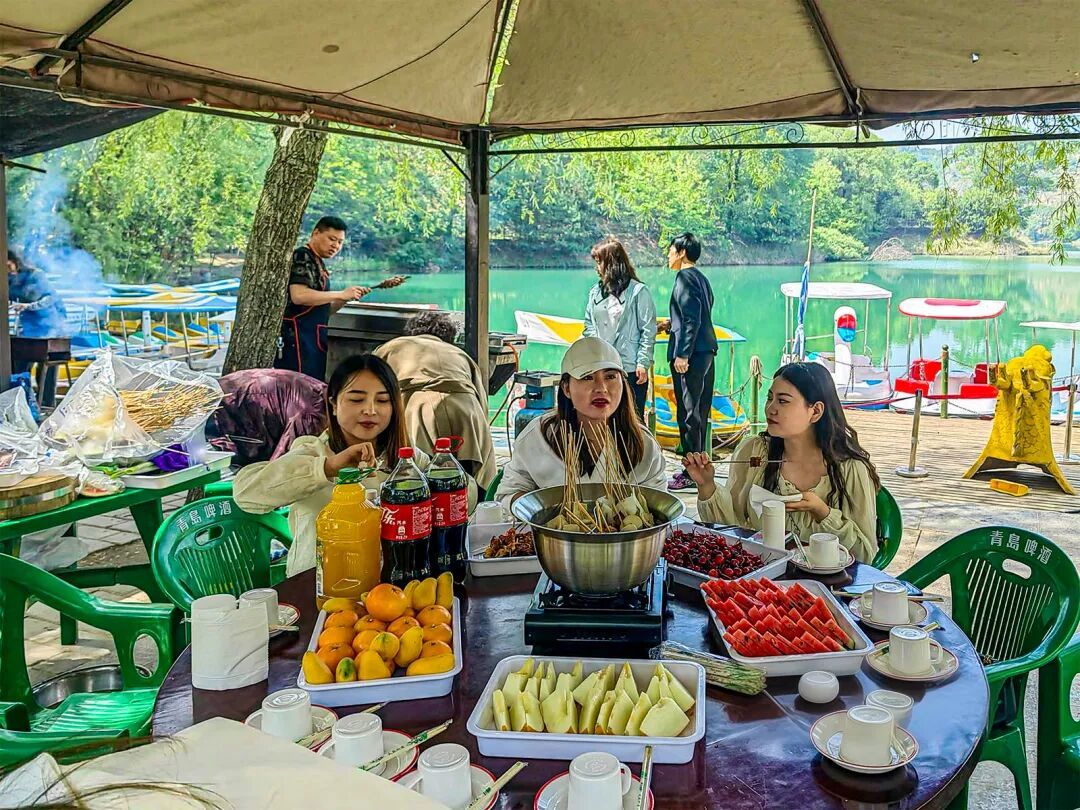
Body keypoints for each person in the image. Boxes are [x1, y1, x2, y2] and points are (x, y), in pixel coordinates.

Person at [234, 354, 476, 576]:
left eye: (382, 400)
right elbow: (245, 494)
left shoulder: (406, 461)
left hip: (393, 587)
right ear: (333, 404)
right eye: (357, 399)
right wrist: (327, 468)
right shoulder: (313, 452)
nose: (370, 410)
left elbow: (470, 496)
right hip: (321, 587)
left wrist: (437, 489)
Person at [682, 362, 880, 563]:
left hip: (823, 580)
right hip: (763, 573)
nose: (770, 409)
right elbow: (729, 531)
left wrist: (822, 511)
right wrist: (706, 485)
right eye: (770, 398)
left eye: (783, 401)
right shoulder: (756, 452)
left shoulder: (850, 469)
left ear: (816, 411)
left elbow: (864, 555)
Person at [496, 337, 667, 506]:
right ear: (566, 388)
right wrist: (546, 509)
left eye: (610, 377)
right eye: (587, 377)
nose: (601, 388)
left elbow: (659, 505)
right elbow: (507, 495)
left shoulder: (644, 443)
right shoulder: (538, 437)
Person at [374, 311, 498, 490]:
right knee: (471, 482)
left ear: (411, 333)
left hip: (418, 408)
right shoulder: (460, 354)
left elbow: (373, 387)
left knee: (420, 478)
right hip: (466, 409)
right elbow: (481, 399)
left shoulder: (390, 348)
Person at [274, 216, 404, 382]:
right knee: (298, 387)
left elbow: (324, 311)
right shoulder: (302, 256)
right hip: (297, 340)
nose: (335, 246)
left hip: (314, 340)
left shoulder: (319, 262)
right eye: (331, 239)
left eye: (340, 242)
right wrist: (340, 294)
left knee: (314, 386)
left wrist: (345, 299)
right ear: (315, 233)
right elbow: (298, 296)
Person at [663, 232, 717, 491]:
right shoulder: (702, 279)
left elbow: (691, 318)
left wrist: (683, 353)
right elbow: (697, 314)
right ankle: (699, 466)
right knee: (700, 412)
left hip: (692, 354)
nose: (668, 255)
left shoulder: (684, 277)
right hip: (707, 350)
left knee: (688, 413)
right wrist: (671, 324)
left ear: (682, 252)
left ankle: (690, 472)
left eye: (671, 250)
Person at [582, 237, 657, 420]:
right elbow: (589, 325)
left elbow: (648, 330)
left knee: (632, 419)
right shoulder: (595, 292)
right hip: (603, 366)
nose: (597, 268)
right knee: (605, 417)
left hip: (630, 366)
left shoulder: (638, 291)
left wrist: (642, 362)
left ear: (611, 264)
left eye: (599, 262)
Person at [204, 369, 327, 467]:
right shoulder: (312, 413)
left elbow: (280, 468)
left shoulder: (310, 412)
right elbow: (279, 470)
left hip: (294, 405)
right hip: (227, 407)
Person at [7, 249, 68, 406]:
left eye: (8, 265)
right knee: (20, 366)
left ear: (15, 262)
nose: (6, 270)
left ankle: (47, 403)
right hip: (27, 328)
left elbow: (51, 298)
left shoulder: (36, 275)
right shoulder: (8, 280)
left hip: (49, 324)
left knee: (46, 371)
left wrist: (28, 306)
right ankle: (24, 403)